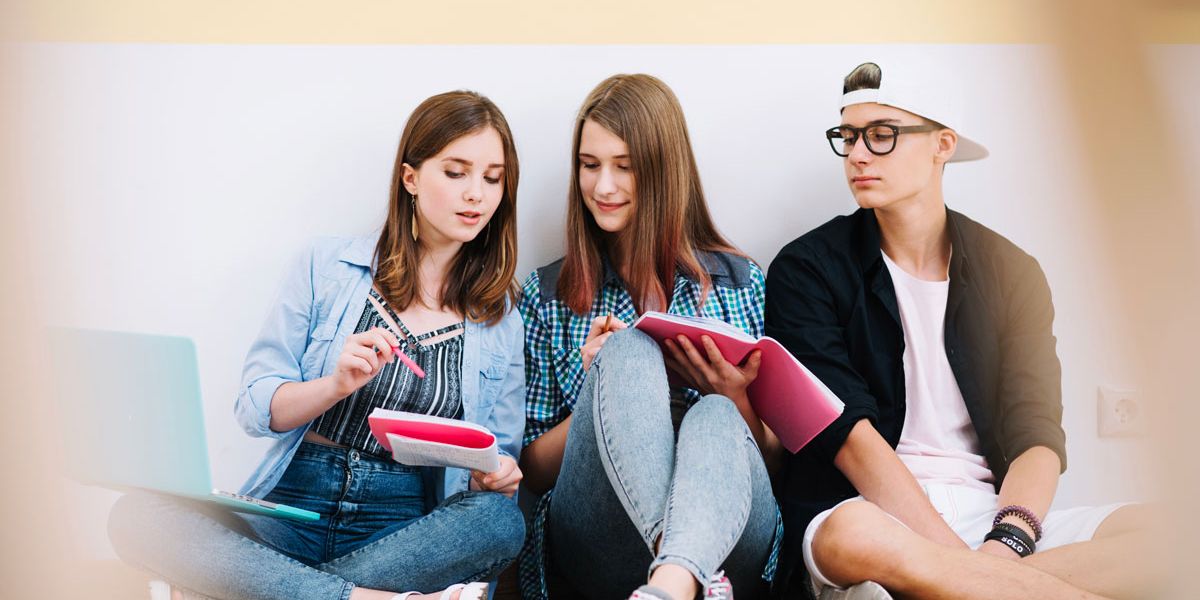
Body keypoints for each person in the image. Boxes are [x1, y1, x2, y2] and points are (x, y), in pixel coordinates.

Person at [108, 90, 528, 600]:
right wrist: (333, 385)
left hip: (401, 531)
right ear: (410, 177)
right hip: (290, 511)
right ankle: (355, 597)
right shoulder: (326, 266)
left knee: (500, 521)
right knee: (135, 516)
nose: (476, 195)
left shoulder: (499, 316)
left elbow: (498, 455)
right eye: (456, 172)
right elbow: (255, 406)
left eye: (492, 178)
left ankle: (274, 591)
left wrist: (495, 475)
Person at [765, 61, 1151, 599]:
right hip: (872, 511)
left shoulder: (1013, 272)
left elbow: (1036, 433)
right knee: (854, 536)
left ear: (942, 145)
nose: (857, 155)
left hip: (990, 518)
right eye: (848, 137)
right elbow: (848, 440)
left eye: (881, 136)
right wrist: (956, 559)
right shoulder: (806, 268)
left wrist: (1004, 547)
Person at [517, 73, 783, 600]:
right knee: (628, 351)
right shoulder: (547, 293)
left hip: (732, 541)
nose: (603, 187)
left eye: (625, 167)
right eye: (590, 166)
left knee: (714, 414)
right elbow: (532, 471)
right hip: (601, 541)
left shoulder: (740, 284)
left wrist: (731, 396)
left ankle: (672, 580)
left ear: (664, 172)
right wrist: (599, 393)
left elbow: (775, 462)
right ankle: (680, 569)